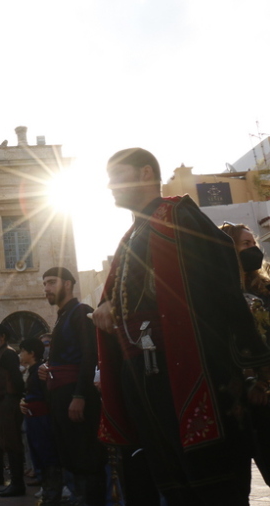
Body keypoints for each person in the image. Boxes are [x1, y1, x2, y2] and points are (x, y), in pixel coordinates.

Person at [92, 147, 270, 506]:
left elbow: (221, 286)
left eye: (117, 176)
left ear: (145, 173)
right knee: (175, 487)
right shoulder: (131, 237)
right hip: (147, 380)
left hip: (191, 374)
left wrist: (253, 363)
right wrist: (107, 307)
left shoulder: (179, 216)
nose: (110, 186)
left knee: (213, 486)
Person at [39, 266, 105, 505]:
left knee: (86, 459)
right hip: (61, 399)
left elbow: (89, 356)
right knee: (70, 458)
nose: (46, 288)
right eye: (45, 284)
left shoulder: (81, 312)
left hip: (76, 398)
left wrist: (80, 396)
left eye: (51, 282)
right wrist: (46, 368)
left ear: (67, 284)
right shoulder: (62, 316)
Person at [219, 222, 270, 484]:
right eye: (246, 244)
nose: (254, 250)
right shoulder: (221, 293)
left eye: (254, 243)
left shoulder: (265, 288)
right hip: (246, 394)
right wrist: (251, 378)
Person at [19, 337, 63, 506]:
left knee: (47, 455)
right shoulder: (32, 370)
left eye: (23, 351)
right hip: (33, 419)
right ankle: (47, 492)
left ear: (31, 353)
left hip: (42, 420)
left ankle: (52, 495)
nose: (20, 354)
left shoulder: (40, 371)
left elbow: (46, 395)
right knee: (38, 455)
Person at [0, 323, 25, 497]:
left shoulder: (8, 353)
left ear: (2, 336)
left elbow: (16, 379)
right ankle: (14, 482)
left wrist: (14, 398)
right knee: (6, 443)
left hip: (8, 402)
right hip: (1, 404)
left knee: (12, 443)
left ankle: (17, 483)